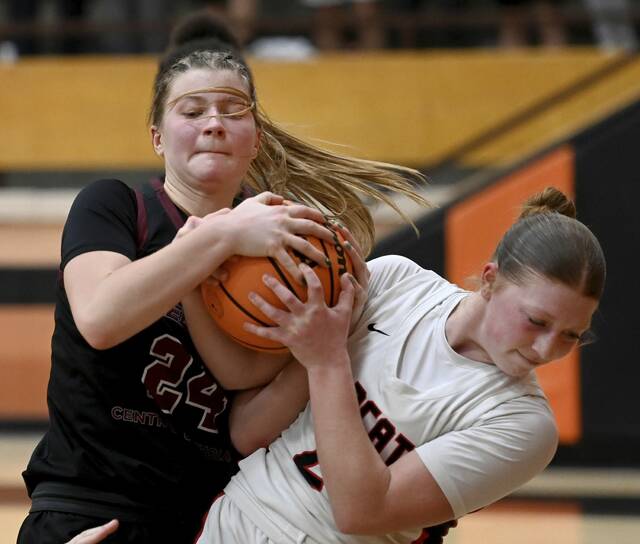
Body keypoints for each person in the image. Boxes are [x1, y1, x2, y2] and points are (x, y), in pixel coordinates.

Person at [18, 11, 430, 544]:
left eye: (233, 111)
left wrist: (331, 338)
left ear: (254, 138)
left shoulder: (294, 243)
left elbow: (242, 411)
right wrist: (225, 235)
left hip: (214, 521)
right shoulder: (114, 207)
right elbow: (100, 318)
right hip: (89, 508)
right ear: (158, 137)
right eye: (192, 110)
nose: (214, 122)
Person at [193, 187, 606, 543]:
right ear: (489, 279)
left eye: (572, 335)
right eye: (537, 321)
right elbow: (249, 432)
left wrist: (327, 361)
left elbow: (359, 513)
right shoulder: (396, 281)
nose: (547, 348)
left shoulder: (524, 425)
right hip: (237, 518)